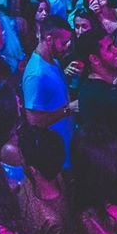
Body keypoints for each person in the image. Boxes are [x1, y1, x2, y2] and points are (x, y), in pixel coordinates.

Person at [21, 16, 79, 167]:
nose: (66, 47)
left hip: (66, 142)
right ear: (49, 39)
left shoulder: (54, 61)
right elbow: (34, 122)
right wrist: (68, 109)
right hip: (55, 153)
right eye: (63, 43)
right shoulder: (35, 74)